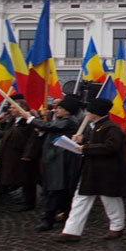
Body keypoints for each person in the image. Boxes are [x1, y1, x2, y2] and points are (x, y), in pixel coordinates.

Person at [56, 98, 126, 242]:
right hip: (91, 170)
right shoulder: (96, 126)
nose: (86, 113)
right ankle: (71, 231)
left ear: (95, 113)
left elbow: (111, 147)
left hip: (107, 171)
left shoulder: (111, 127)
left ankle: (117, 227)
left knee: (110, 200)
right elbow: (96, 145)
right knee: (81, 199)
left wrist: (85, 147)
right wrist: (82, 142)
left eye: (89, 111)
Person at [22, 95, 81, 231]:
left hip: (61, 161)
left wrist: (30, 118)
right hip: (54, 159)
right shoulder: (62, 120)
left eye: (60, 108)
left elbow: (50, 126)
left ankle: (48, 219)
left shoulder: (69, 121)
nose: (57, 110)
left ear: (68, 110)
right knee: (58, 190)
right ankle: (63, 214)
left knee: (56, 189)